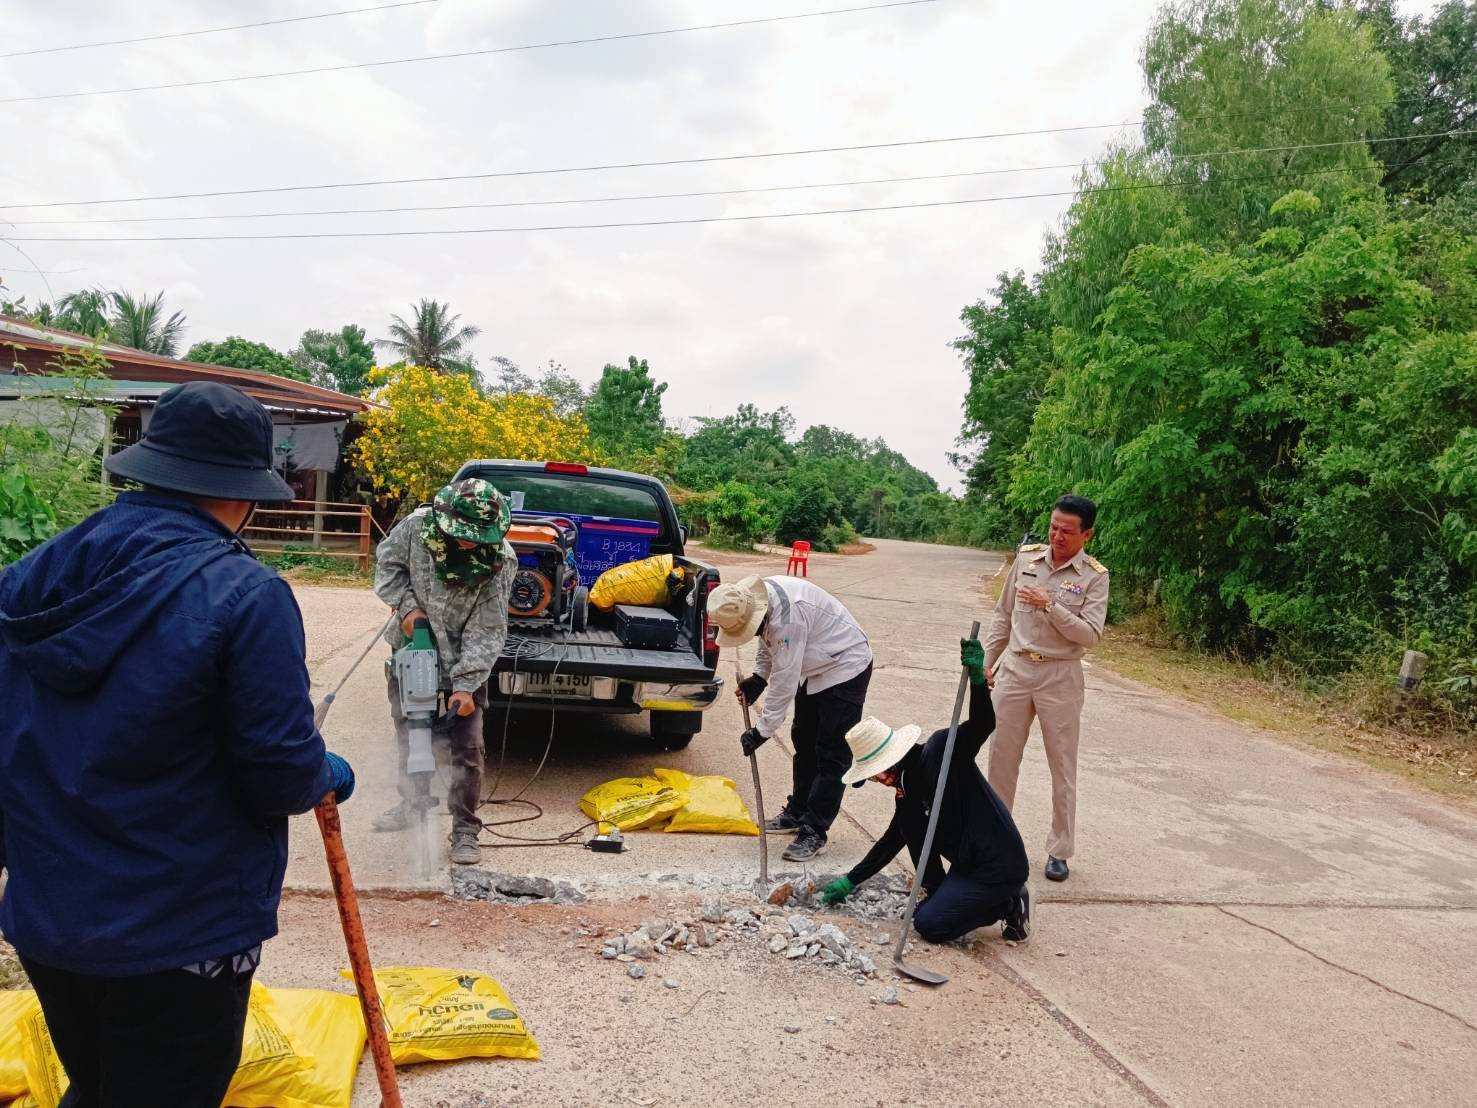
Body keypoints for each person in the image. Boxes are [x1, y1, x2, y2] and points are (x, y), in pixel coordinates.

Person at [0, 381, 355, 1108]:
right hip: (178, 934)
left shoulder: (29, 577)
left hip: (49, 922)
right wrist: (329, 771)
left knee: (97, 1086)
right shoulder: (246, 595)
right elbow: (281, 775)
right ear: (241, 493)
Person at [820, 639, 1031, 944]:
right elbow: (893, 839)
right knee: (910, 826)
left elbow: (983, 724)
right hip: (966, 866)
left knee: (930, 926)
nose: (878, 782)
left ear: (886, 767)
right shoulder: (906, 789)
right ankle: (942, 891)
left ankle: (1008, 902)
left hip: (997, 864)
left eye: (875, 776)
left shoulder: (942, 752)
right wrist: (852, 880)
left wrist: (977, 682)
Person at [371, 477, 515, 865]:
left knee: (467, 747)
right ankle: (410, 806)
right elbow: (387, 568)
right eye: (463, 534)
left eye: (477, 536)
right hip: (411, 651)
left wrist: (466, 685)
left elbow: (487, 628)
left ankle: (466, 830)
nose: (470, 542)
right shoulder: (416, 529)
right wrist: (406, 609)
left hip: (465, 660)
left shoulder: (500, 561)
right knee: (409, 735)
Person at [985, 495, 1109, 883]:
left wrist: (1050, 605)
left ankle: (1059, 851)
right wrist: (988, 661)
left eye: (1067, 531)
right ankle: (995, 842)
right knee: (1001, 762)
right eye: (1054, 527)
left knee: (1062, 766)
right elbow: (1003, 615)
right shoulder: (1026, 559)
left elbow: (1090, 635)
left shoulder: (1094, 576)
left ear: (1086, 534)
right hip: (1017, 670)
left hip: (1061, 676)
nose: (1057, 536)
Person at [711, 574, 872, 863]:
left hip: (846, 663)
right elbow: (765, 638)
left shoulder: (789, 617)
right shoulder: (758, 602)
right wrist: (759, 676)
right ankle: (798, 811)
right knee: (804, 740)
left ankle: (815, 829)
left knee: (831, 753)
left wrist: (762, 730)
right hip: (813, 666)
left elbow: (784, 680)